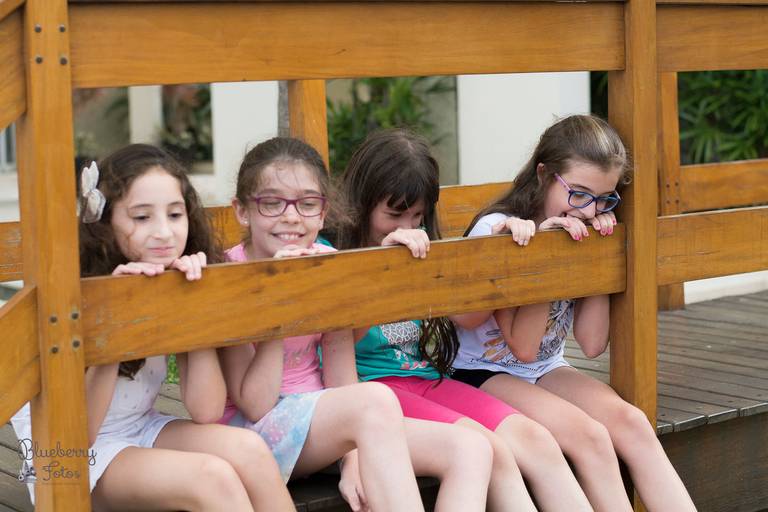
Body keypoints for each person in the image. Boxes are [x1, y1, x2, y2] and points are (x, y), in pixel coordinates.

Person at [12, 144, 295, 511]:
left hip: (140, 428)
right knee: (212, 477)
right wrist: (115, 318)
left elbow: (207, 411)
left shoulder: (164, 277)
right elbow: (76, 436)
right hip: (67, 456)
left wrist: (191, 304)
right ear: (105, 221)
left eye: (175, 214)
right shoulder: (71, 288)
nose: (164, 232)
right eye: (142, 217)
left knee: (250, 449)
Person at [220, 136, 493, 512]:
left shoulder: (329, 261)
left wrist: (353, 457)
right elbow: (254, 406)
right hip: (256, 433)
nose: (291, 216)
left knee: (471, 448)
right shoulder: (227, 276)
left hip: (322, 422)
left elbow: (340, 373)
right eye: (271, 202)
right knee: (376, 399)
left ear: (323, 211)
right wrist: (280, 299)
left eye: (307, 203)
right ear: (242, 211)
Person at [334, 129, 592, 512]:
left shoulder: (423, 253)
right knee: (490, 452)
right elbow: (332, 354)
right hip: (375, 392)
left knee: (535, 440)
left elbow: (468, 317)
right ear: (361, 204)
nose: (407, 227)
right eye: (394, 214)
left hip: (427, 380)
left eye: (418, 215)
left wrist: (510, 253)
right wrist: (380, 273)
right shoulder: (334, 259)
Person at [451, 114, 696, 512]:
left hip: (545, 367)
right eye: (579, 194)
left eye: (604, 198)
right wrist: (546, 256)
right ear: (544, 175)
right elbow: (525, 348)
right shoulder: (499, 229)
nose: (589, 210)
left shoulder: (579, 227)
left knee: (632, 424)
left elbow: (593, 342)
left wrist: (599, 254)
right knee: (590, 437)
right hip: (479, 370)